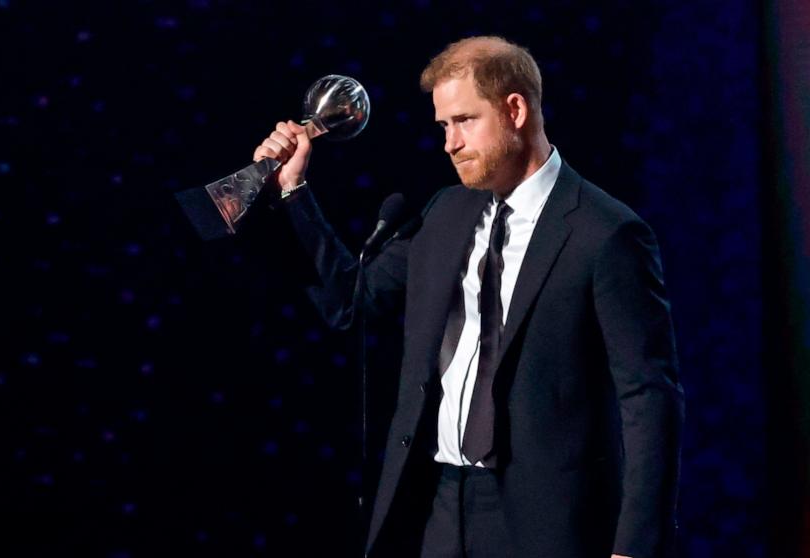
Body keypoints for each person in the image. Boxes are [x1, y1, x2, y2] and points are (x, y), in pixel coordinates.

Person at [252, 36, 684, 558]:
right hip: (439, 502)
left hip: (549, 520)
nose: (449, 143)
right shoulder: (446, 213)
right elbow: (352, 300)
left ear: (516, 110)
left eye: (463, 121)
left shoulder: (607, 233)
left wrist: (635, 545)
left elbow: (648, 397)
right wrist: (293, 192)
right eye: (443, 126)